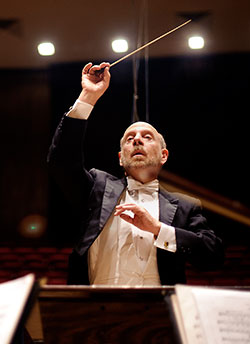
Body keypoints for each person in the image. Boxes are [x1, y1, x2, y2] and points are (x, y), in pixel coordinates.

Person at [47, 62, 224, 286]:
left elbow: (214, 256)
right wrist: (88, 97)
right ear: (121, 157)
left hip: (158, 314)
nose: (137, 139)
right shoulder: (97, 188)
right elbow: (61, 161)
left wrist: (158, 229)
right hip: (95, 310)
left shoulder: (185, 206)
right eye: (130, 139)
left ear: (164, 155)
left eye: (147, 137)